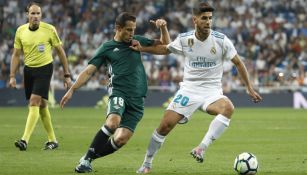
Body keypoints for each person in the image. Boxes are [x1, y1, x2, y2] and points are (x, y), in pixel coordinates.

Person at [131, 2, 263, 174]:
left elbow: (238, 62)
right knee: (165, 126)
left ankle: (201, 148)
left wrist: (249, 88)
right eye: (204, 18)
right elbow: (165, 49)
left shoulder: (221, 40)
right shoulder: (185, 39)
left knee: (228, 108)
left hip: (212, 92)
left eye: (210, 18)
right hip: (189, 90)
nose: (208, 22)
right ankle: (147, 163)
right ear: (195, 20)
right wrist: (142, 49)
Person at [60, 12, 170, 173]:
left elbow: (166, 47)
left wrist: (163, 28)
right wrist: (72, 89)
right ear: (118, 28)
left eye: (133, 29)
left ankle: (88, 157)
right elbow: (89, 71)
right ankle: (86, 162)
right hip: (119, 92)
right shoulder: (107, 48)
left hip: (138, 98)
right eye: (128, 30)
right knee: (113, 123)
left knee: (121, 139)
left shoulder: (136, 41)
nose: (132, 33)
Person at [9, 2, 72, 151]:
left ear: (41, 15)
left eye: (38, 13)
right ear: (27, 15)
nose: (36, 16)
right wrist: (12, 75)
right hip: (29, 70)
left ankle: (24, 140)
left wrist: (66, 74)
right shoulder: (20, 31)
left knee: (34, 102)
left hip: (45, 69)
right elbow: (16, 54)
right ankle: (53, 140)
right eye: (33, 13)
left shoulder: (49, 29)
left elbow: (60, 52)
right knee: (42, 105)